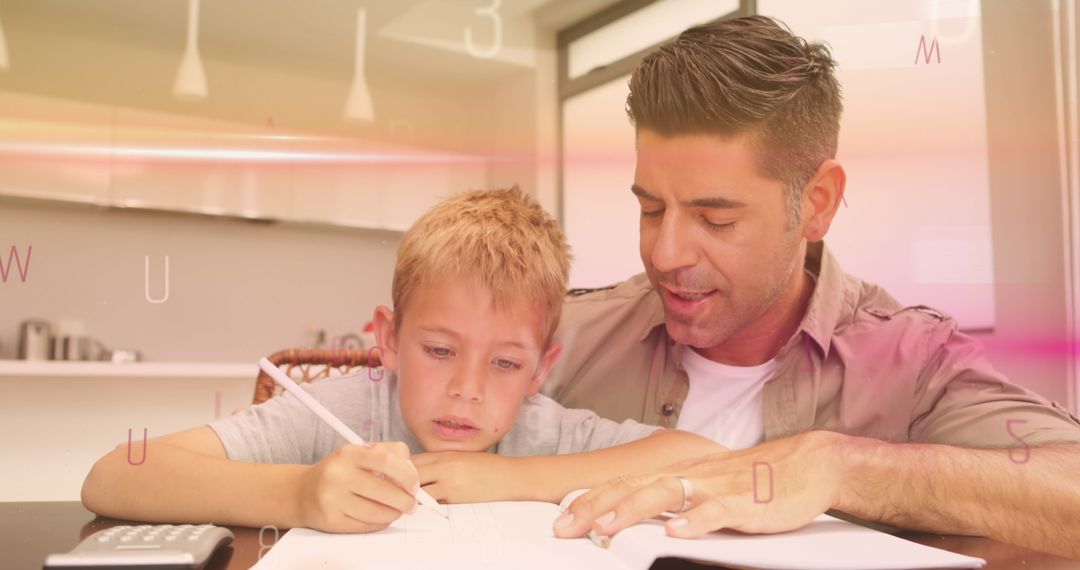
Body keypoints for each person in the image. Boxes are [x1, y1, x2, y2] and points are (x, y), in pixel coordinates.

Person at [549, 16, 1080, 559]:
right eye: (651, 209)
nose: (665, 254)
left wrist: (843, 468)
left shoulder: (914, 364)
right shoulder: (559, 340)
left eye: (717, 220)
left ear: (818, 203)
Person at [81, 187, 723, 534]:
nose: (467, 390)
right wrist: (301, 494)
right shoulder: (340, 410)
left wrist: (512, 479)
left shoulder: (542, 430)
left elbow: (706, 460)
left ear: (540, 368)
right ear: (388, 339)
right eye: (440, 351)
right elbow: (115, 475)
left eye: (504, 364)